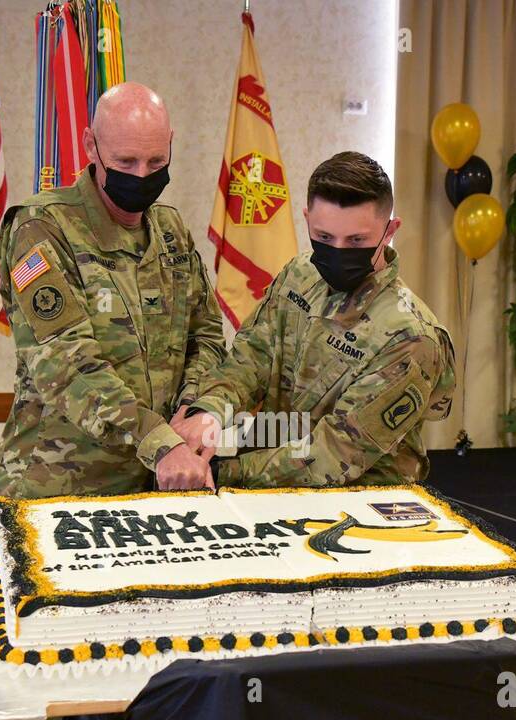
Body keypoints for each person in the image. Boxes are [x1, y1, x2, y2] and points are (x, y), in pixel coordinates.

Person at [0, 81, 225, 720]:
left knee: (150, 705)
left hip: (152, 503)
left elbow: (207, 338)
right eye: (126, 160)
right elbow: (67, 365)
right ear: (91, 150)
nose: (142, 176)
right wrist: (163, 442)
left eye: (158, 161)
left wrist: (200, 415)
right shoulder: (36, 231)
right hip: (51, 506)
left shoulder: (172, 232)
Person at [168, 150, 455, 489]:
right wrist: (209, 412)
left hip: (363, 501)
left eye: (357, 241)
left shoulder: (411, 337)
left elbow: (336, 452)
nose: (338, 251)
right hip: (279, 472)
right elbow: (251, 358)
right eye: (324, 238)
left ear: (390, 230)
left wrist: (217, 473)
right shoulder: (300, 274)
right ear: (306, 220)